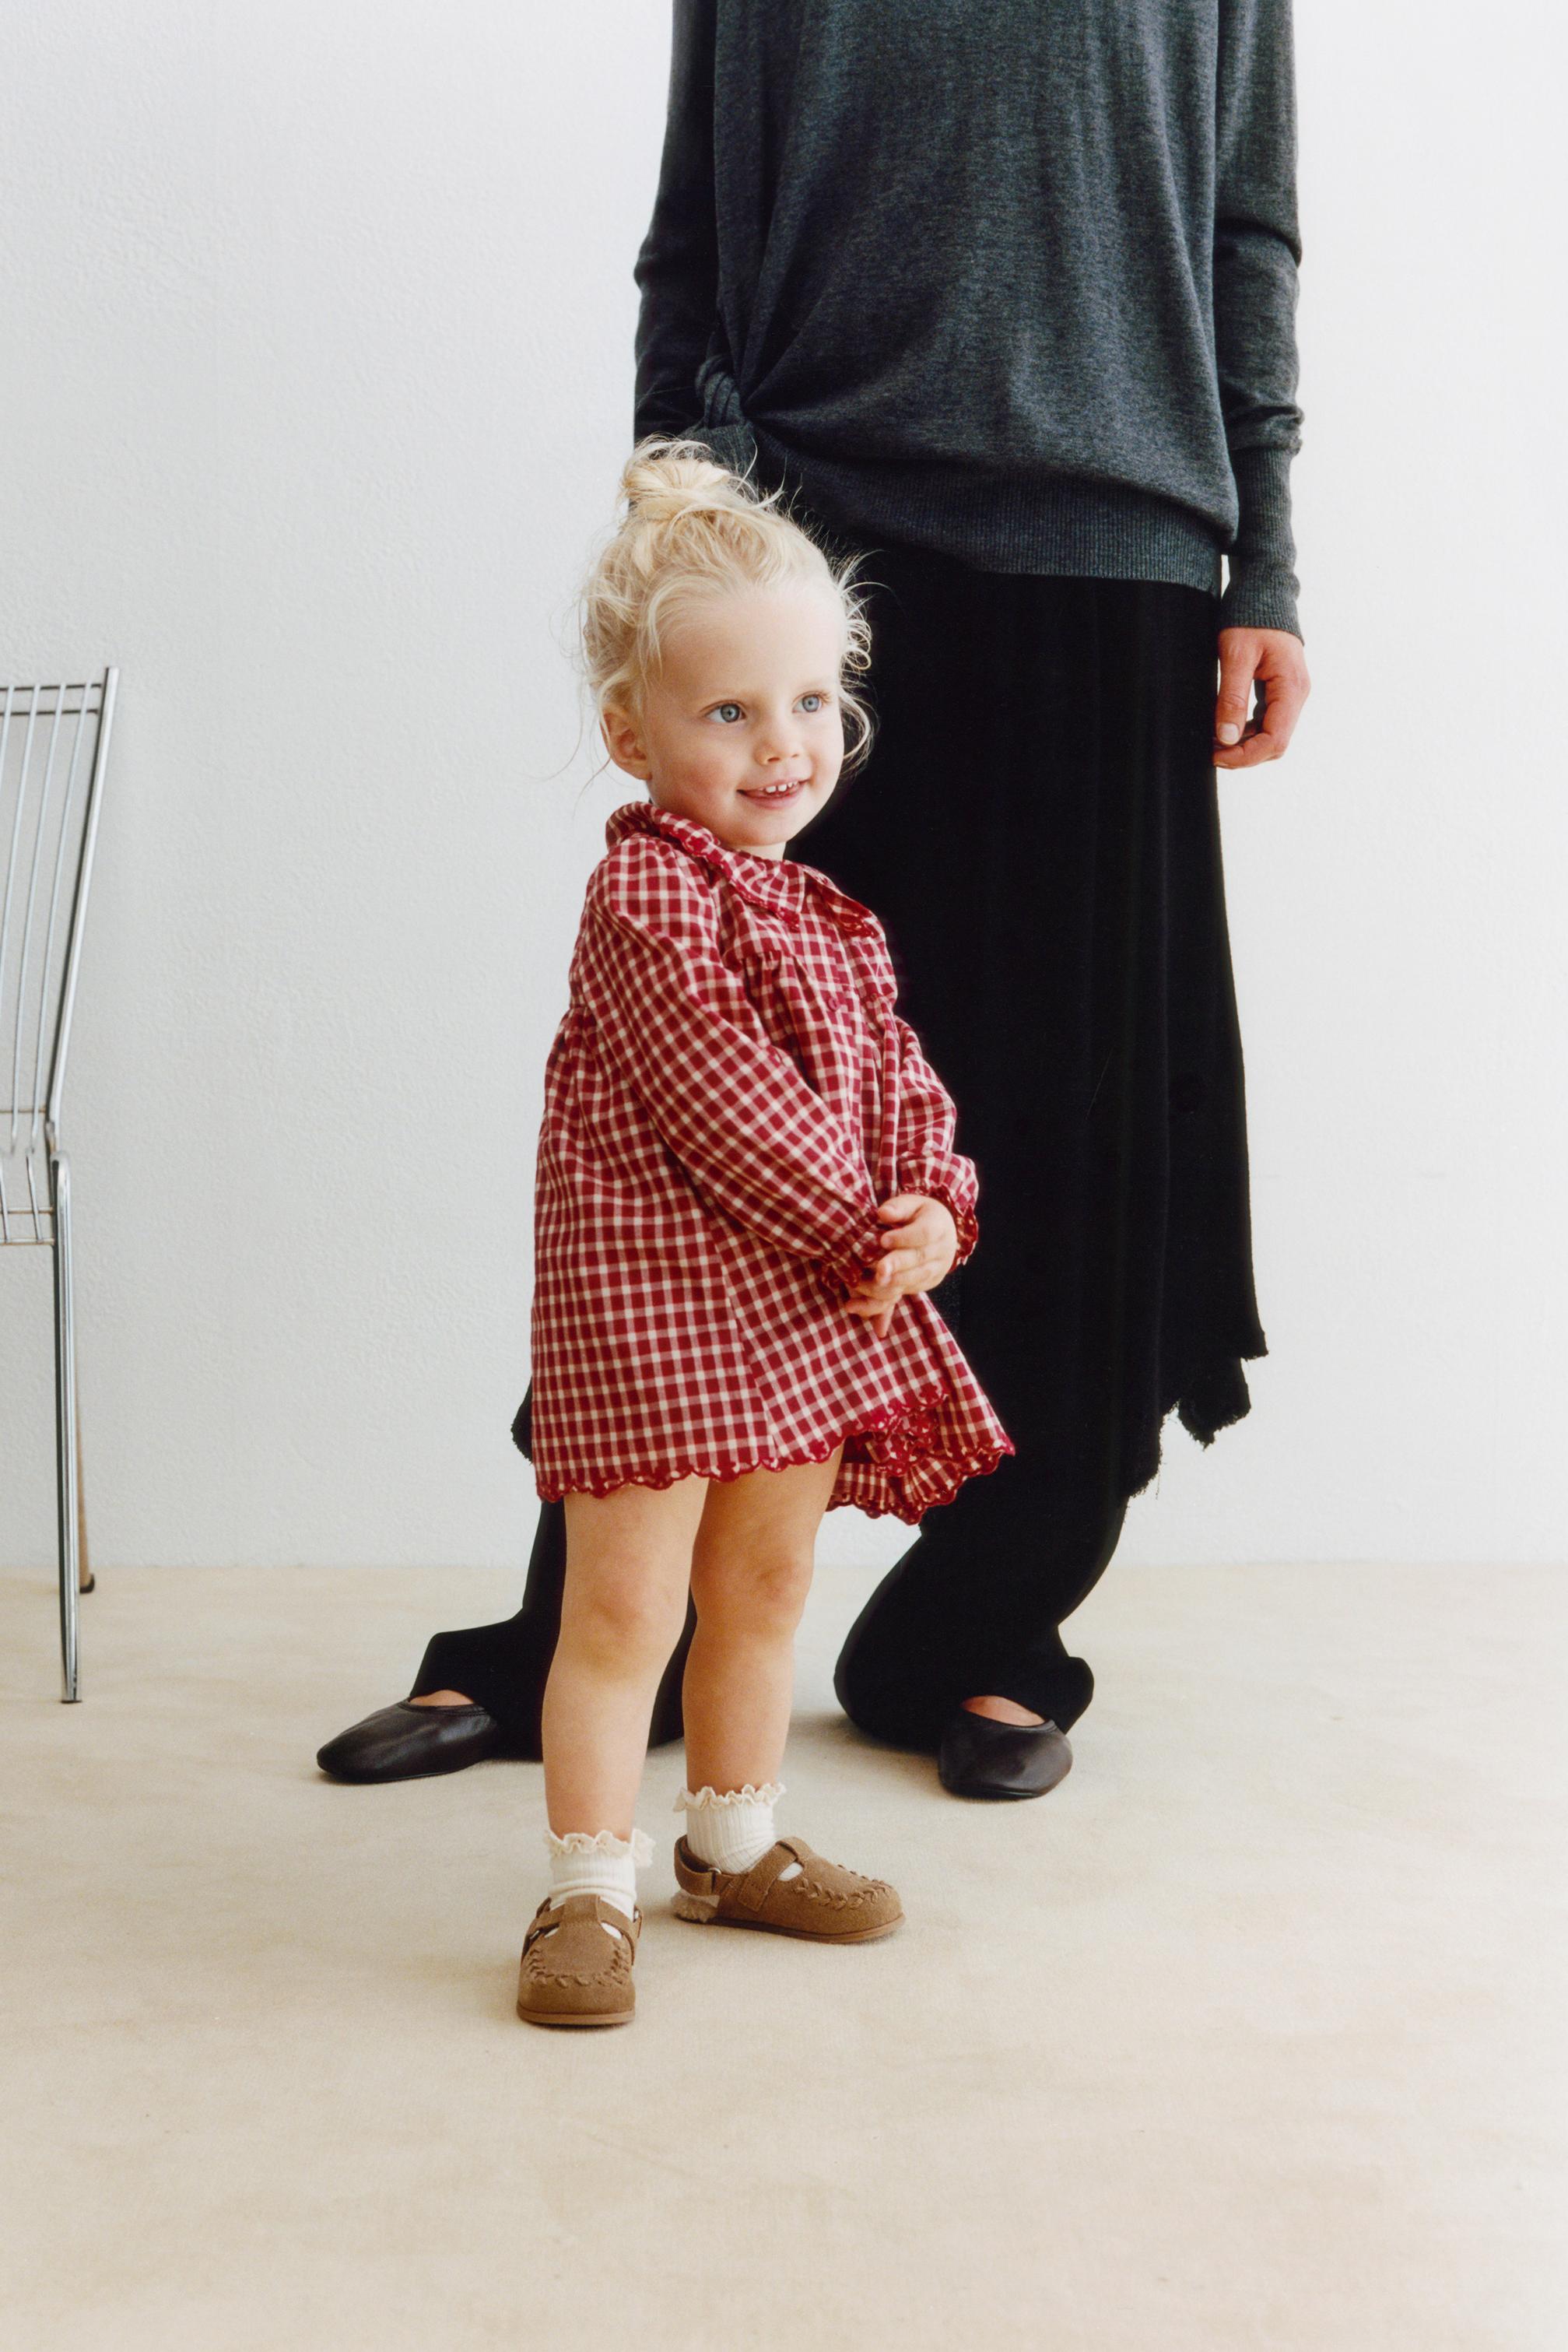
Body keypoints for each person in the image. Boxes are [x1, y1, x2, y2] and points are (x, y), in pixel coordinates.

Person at [318, 0, 1309, 1802]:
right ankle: (606, 1634)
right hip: (800, 526)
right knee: (689, 1109)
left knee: (1067, 1133)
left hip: (1117, 538)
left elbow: (1247, 224)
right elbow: (693, 223)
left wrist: (1275, 562)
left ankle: (988, 1626)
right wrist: (670, 531)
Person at [512, 441, 1012, 2024]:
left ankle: (733, 1842)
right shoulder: (651, 903)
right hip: (659, 1311)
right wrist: (866, 1219)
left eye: (808, 705)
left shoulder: (827, 911)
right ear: (632, 731)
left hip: (804, 1309)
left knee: (769, 1581)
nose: (780, 745)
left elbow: (898, 1082)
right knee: (624, 1608)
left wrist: (937, 1194)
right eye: (729, 712)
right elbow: (736, 1111)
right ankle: (587, 1884)